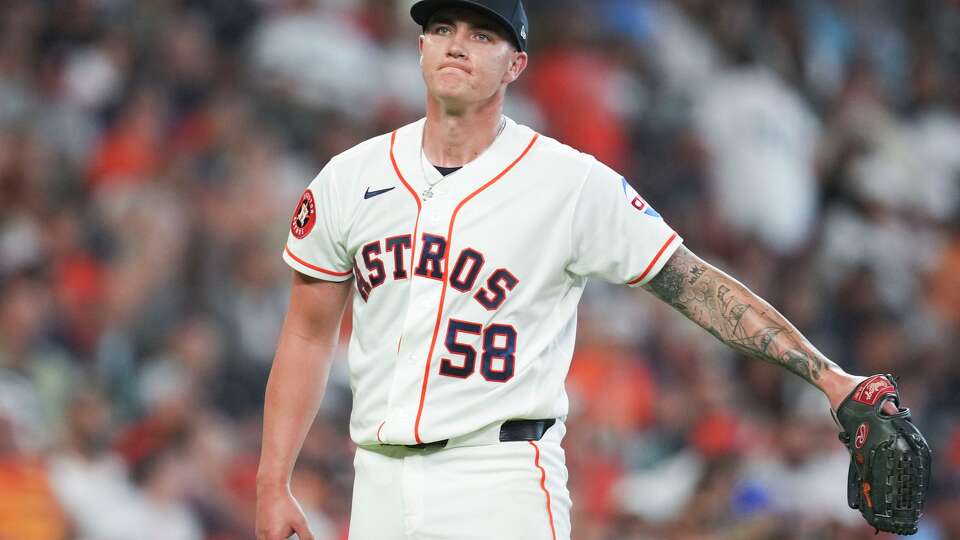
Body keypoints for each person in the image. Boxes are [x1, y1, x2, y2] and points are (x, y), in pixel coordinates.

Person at [254, 1, 904, 538]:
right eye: (443, 29)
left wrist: (827, 377)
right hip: (378, 481)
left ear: (516, 65)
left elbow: (693, 284)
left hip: (500, 478)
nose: (457, 45)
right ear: (420, 47)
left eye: (482, 34)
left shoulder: (570, 185)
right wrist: (273, 481)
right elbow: (308, 334)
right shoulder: (351, 179)